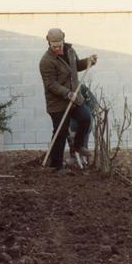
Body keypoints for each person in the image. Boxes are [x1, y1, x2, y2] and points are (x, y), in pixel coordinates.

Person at [39, 28, 97, 172]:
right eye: (54, 46)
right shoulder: (46, 61)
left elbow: (75, 66)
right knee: (60, 132)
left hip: (75, 98)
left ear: (63, 40)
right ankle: (56, 165)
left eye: (59, 45)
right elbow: (51, 84)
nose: (57, 48)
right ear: (49, 43)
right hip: (57, 103)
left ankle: (78, 146)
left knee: (85, 118)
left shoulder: (70, 51)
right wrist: (68, 94)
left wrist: (88, 61)